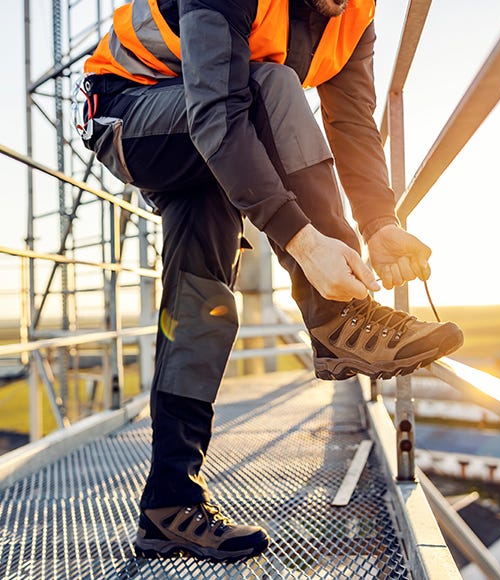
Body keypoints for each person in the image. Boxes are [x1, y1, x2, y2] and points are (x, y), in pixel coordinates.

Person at [79, 0, 463, 562]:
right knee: (273, 85)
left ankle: (169, 506)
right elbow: (222, 112)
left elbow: (352, 121)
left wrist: (379, 224)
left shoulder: (353, 13)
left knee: (201, 304)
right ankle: (337, 321)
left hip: (203, 117)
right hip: (126, 110)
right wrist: (308, 247)